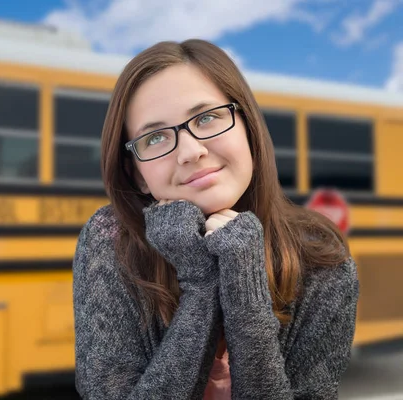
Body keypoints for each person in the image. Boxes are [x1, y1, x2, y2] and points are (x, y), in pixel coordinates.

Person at [72, 39, 359, 400]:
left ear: (248, 128)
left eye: (207, 118)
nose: (191, 151)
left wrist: (245, 288)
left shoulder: (323, 262)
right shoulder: (110, 241)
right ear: (138, 173)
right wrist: (201, 283)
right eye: (155, 137)